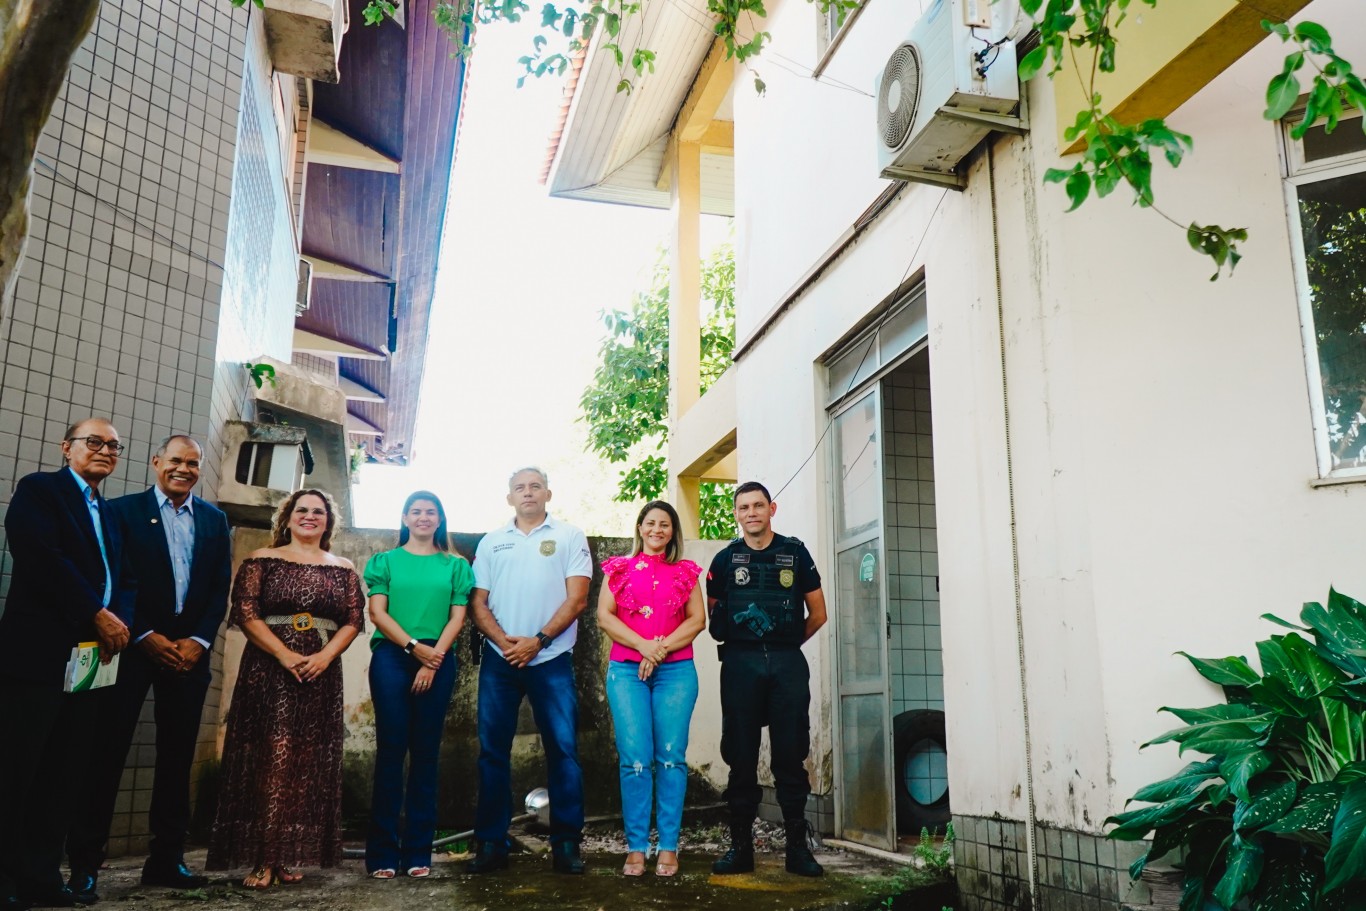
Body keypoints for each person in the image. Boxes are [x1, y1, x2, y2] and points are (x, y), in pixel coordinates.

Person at [66, 435, 232, 903]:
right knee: (106, 753)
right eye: (175, 460)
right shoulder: (121, 512)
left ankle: (166, 859)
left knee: (178, 758)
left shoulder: (216, 521)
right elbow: (112, 580)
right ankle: (84, 864)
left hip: (189, 655)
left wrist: (200, 640)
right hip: (131, 649)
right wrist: (143, 634)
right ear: (156, 462)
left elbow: (220, 586)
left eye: (192, 463)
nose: (183, 469)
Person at [0, 418, 134, 910]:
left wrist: (119, 622)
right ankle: (4, 881)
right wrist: (95, 613)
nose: (104, 450)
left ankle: (41, 879)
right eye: (93, 441)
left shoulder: (111, 513)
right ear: (66, 447)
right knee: (17, 769)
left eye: (113, 446)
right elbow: (39, 556)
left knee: (63, 772)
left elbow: (127, 578)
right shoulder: (40, 491)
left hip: (92, 661)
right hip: (37, 654)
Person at [206, 489, 365, 888]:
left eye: (318, 511)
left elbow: (353, 619)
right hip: (269, 669)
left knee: (305, 762)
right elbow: (244, 611)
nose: (310, 516)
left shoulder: (342, 567)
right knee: (267, 756)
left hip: (320, 672)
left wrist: (325, 657)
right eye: (302, 510)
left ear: (328, 521)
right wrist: (285, 654)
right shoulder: (262, 559)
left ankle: (285, 855)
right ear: (287, 518)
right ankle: (262, 857)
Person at [467, 467, 594, 875]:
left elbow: (577, 600)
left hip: (551, 660)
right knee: (491, 753)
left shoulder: (570, 536)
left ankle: (567, 845)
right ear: (509, 498)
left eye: (535, 486)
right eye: (520, 487)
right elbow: (478, 603)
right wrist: (506, 644)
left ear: (548, 494)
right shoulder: (492, 542)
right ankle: (491, 843)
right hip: (500, 662)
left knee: (563, 751)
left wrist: (537, 641)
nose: (528, 493)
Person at [706, 481, 828, 877]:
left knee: (790, 756)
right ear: (737, 513)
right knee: (740, 757)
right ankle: (740, 848)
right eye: (744, 507)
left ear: (771, 509)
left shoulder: (795, 553)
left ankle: (798, 850)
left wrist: (786, 644)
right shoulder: (725, 560)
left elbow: (818, 613)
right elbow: (714, 618)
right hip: (740, 664)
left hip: (787, 664)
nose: (751, 513)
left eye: (758, 505)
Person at [363, 491, 473, 879]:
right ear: (405, 517)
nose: (424, 517)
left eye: (431, 512)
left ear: (440, 519)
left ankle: (417, 854)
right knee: (392, 753)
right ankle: (381, 855)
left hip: (439, 657)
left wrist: (433, 658)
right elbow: (377, 612)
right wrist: (413, 648)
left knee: (426, 755)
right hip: (393, 657)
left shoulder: (456, 565)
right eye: (417, 511)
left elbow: (457, 618)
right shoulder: (385, 562)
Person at [596, 500, 705, 878]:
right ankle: (637, 847)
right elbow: (604, 616)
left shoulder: (685, 572)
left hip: (675, 672)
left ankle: (670, 846)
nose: (657, 530)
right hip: (627, 672)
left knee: (672, 757)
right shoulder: (619, 568)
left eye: (665, 525)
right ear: (640, 527)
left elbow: (697, 621)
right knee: (635, 759)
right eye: (651, 523)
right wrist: (644, 647)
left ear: (672, 531)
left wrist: (658, 650)